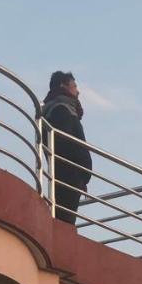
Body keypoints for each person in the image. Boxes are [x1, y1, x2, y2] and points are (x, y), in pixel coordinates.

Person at [41, 71, 92, 224]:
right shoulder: (62, 109)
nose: (78, 91)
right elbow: (67, 144)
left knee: (63, 220)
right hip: (68, 175)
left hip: (66, 174)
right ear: (63, 86)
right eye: (74, 86)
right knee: (64, 223)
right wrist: (80, 172)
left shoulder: (54, 109)